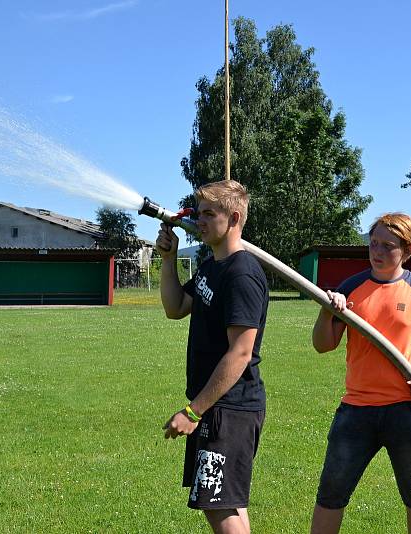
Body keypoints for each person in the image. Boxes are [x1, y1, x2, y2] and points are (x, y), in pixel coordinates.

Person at [310, 213, 411, 534]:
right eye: (373, 243)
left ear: (407, 251)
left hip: (407, 411)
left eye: (387, 246)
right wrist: (327, 310)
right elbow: (323, 345)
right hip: (356, 411)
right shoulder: (351, 287)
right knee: (331, 494)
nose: (376, 252)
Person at [156, 180, 269, 534]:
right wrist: (169, 258)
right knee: (225, 503)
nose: (199, 221)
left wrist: (193, 411)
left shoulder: (242, 275)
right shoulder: (210, 266)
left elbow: (240, 353)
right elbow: (176, 307)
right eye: (198, 212)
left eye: (208, 214)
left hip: (230, 409)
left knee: (216, 504)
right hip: (219, 407)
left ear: (233, 217)